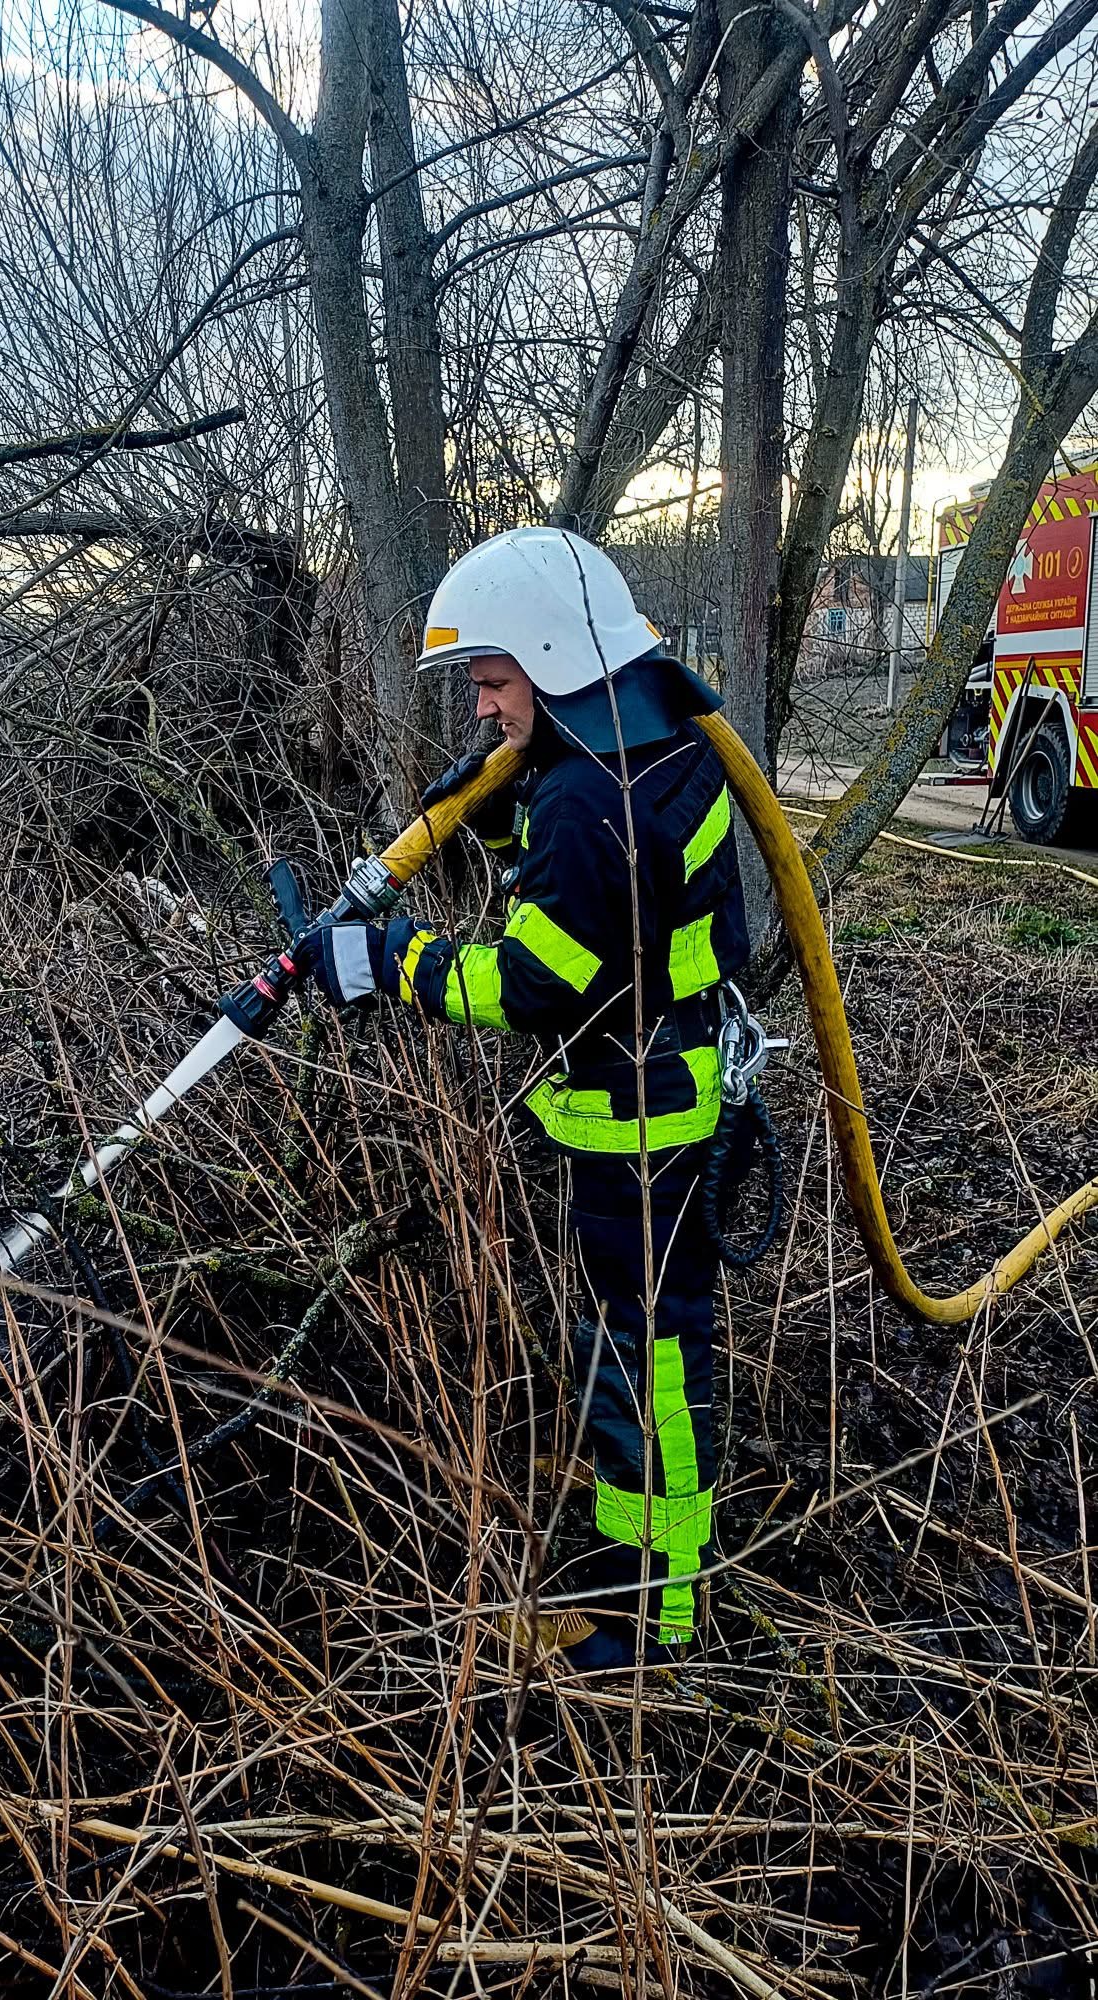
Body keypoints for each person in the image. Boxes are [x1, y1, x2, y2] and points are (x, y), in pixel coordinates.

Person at [296, 526, 750, 1668]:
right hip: (660, 1096)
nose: (486, 709)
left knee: (648, 1364)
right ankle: (623, 1569)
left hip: (640, 1130)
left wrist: (392, 963)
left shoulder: (594, 803)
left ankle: (655, 1623)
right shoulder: (645, 756)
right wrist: (504, 810)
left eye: (495, 683)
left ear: (555, 663)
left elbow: (541, 978)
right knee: (628, 1351)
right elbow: (606, 915)